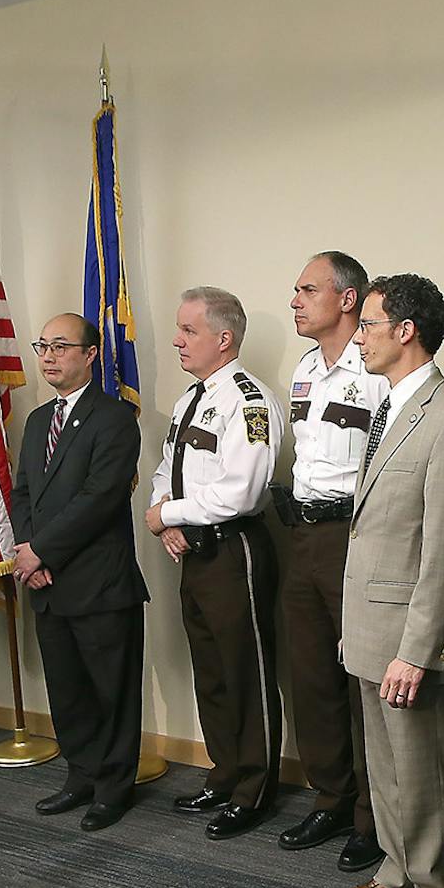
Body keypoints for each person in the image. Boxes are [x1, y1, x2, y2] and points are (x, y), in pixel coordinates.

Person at [321, 274, 444, 888]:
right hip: (369, 627)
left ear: (405, 330)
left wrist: (417, 651)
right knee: (383, 769)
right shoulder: (391, 407)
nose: (359, 335)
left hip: (410, 639)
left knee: (422, 774)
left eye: (369, 324)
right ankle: (396, 872)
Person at [145, 287, 286, 840]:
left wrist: (167, 515)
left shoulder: (249, 401)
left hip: (234, 552)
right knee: (211, 669)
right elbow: (166, 467)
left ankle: (255, 790)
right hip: (195, 552)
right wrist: (168, 516)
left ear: (223, 339)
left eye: (188, 331)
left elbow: (242, 493)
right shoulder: (190, 399)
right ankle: (225, 773)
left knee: (244, 672)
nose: (177, 340)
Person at [9, 314, 149, 830]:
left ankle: (114, 786)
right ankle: (81, 774)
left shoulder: (114, 417)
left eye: (61, 346)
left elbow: (100, 499)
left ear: (91, 354)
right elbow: (22, 491)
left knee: (110, 690)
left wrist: (40, 551)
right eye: (42, 345)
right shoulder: (37, 419)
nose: (47, 355)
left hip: (99, 582)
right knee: (66, 687)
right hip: (46, 581)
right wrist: (29, 551)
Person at [277, 253, 386, 874]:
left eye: (307, 289)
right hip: (302, 533)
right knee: (312, 673)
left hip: (353, 533)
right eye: (295, 291)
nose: (296, 300)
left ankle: (373, 814)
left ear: (348, 299)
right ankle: (332, 796)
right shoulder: (303, 369)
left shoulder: (373, 368)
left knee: (360, 680)